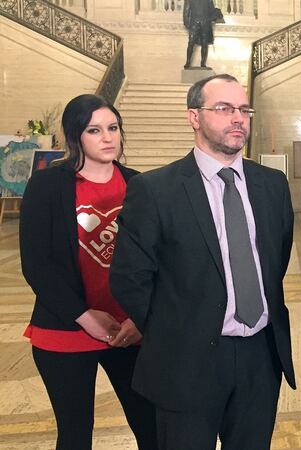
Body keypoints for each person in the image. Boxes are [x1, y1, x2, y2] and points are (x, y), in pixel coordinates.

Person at [109, 74, 295, 449]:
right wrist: (173, 331)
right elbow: (129, 278)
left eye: (243, 109)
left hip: (260, 357)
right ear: (194, 116)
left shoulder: (272, 184)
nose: (238, 118)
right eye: (224, 108)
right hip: (186, 361)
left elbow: (276, 260)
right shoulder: (155, 190)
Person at [19, 94, 157, 449]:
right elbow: (36, 265)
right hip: (66, 327)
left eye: (113, 128)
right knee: (75, 434)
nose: (108, 138)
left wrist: (140, 318)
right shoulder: (46, 186)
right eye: (94, 130)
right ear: (75, 135)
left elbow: (157, 261)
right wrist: (84, 316)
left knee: (153, 430)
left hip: (129, 331)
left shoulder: (141, 185)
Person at [183, 0, 217, 68]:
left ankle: (202, 63)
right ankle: (188, 62)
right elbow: (186, 10)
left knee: (204, 43)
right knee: (191, 42)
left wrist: (213, 17)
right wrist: (186, 21)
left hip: (204, 22)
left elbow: (212, 10)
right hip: (195, 22)